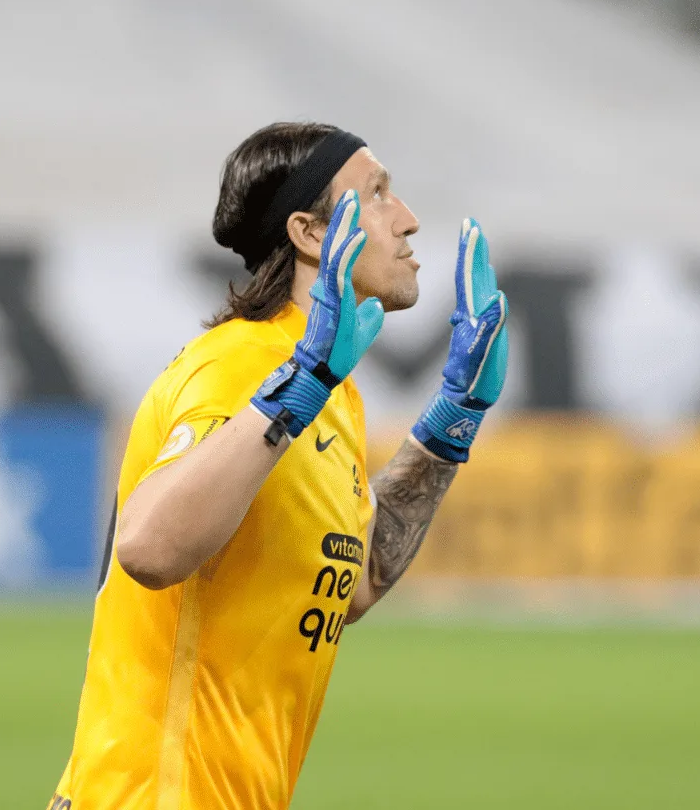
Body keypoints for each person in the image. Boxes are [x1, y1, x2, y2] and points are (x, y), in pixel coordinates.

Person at [49, 122, 509, 810]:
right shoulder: (241, 364)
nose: (408, 220)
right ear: (311, 233)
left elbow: (348, 587)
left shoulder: (330, 394)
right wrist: (298, 387)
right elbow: (146, 548)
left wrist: (449, 425)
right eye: (378, 193)